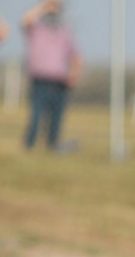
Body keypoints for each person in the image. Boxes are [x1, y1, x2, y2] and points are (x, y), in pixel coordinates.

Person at [21, 0, 81, 151]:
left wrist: (74, 73)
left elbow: (75, 55)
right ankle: (29, 145)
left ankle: (52, 146)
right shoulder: (36, 28)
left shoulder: (64, 30)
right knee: (36, 116)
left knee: (56, 118)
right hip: (40, 79)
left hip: (60, 81)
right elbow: (26, 20)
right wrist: (44, 6)